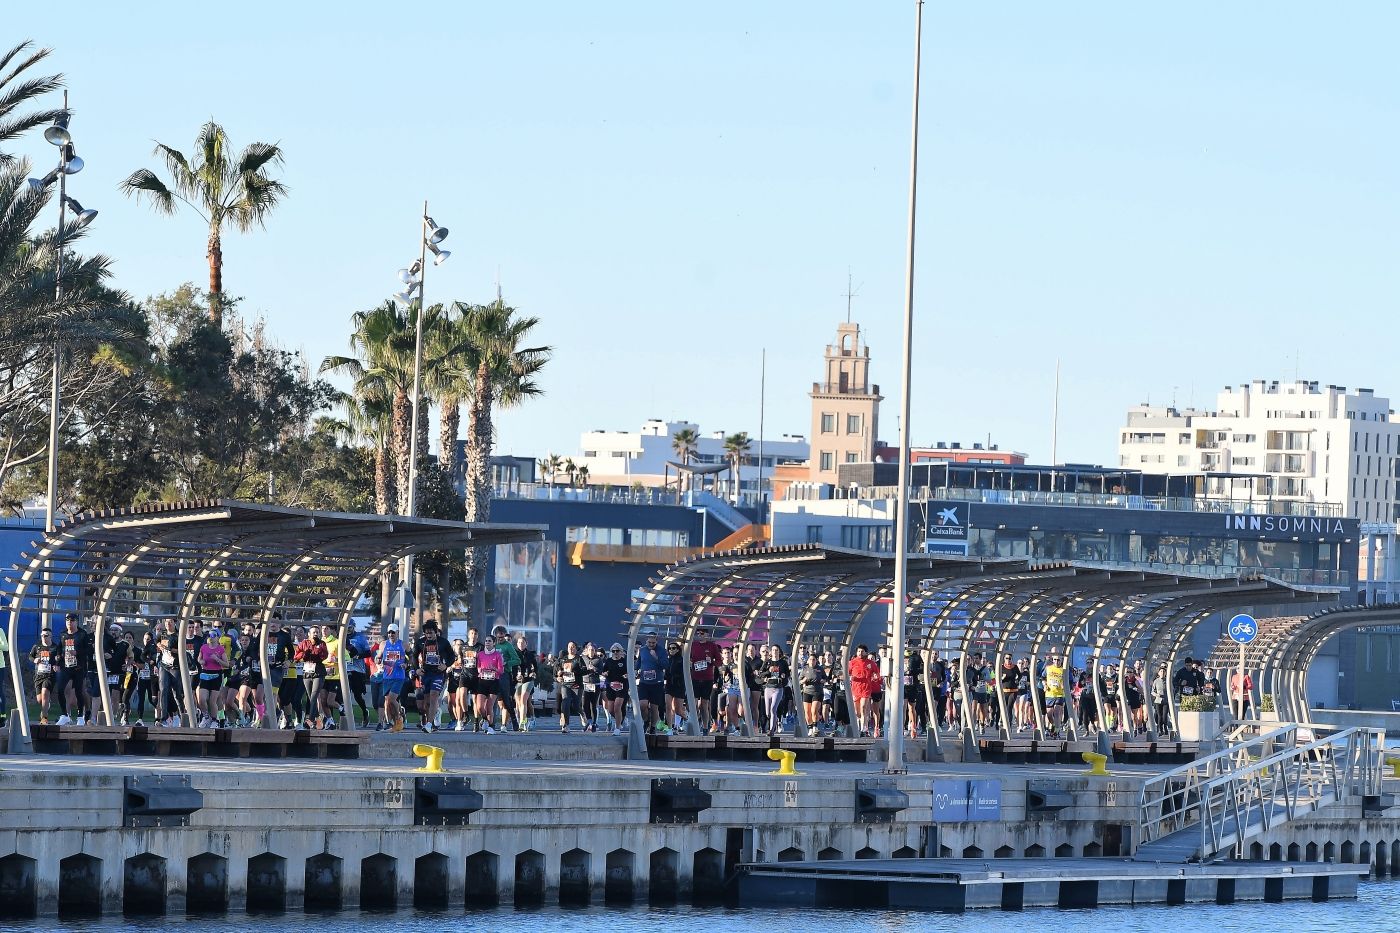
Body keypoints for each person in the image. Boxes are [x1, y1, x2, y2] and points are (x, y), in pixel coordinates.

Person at [413, 621, 453, 734]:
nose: (429, 635)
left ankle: (429, 724)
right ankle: (434, 714)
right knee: (427, 703)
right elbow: (414, 656)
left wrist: (445, 665)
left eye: (431, 633)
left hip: (438, 673)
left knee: (434, 695)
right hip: (426, 673)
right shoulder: (420, 642)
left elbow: (452, 656)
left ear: (436, 632)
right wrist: (417, 669)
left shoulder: (443, 642)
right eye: (426, 633)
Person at [55, 613, 92, 726]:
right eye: (67, 621)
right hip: (65, 667)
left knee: (79, 691)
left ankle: (80, 716)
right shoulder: (63, 634)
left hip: (78, 668)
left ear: (76, 622)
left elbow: (89, 650)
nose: (69, 624)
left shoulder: (82, 634)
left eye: (72, 621)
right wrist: (57, 659)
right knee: (60, 689)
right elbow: (59, 648)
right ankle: (64, 715)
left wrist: (77, 652)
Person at [293, 626, 329, 731]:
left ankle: (309, 721)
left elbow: (324, 655)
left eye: (317, 632)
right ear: (309, 633)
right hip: (307, 672)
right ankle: (318, 720)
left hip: (318, 672)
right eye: (313, 632)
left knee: (314, 697)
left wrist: (317, 650)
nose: (315, 634)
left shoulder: (322, 643)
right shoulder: (304, 643)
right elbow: (297, 656)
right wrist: (305, 654)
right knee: (310, 698)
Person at [688, 628, 722, 733]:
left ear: (707, 635)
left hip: (707, 678)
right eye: (698, 633)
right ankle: (693, 724)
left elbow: (719, 661)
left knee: (704, 704)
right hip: (694, 678)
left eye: (702, 633)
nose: (699, 635)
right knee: (693, 703)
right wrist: (689, 663)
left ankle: (705, 727)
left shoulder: (712, 646)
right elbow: (686, 658)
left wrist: (712, 661)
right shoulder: (693, 645)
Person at [635, 632, 668, 734]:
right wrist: (636, 670)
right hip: (644, 682)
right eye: (649, 642)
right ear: (646, 641)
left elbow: (665, 665)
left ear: (656, 641)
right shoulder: (643, 650)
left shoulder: (662, 651)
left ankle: (653, 727)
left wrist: (656, 658)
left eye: (653, 643)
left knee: (654, 707)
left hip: (657, 682)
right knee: (642, 705)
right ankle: (646, 721)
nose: (651, 645)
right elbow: (639, 662)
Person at [376, 624, 407, 732]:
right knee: (387, 700)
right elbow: (378, 657)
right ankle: (391, 721)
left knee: (392, 698)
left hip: (399, 676)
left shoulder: (403, 644)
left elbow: (412, 657)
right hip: (387, 676)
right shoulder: (383, 644)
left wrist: (406, 665)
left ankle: (399, 717)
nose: (391, 634)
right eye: (389, 632)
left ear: (397, 632)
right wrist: (378, 660)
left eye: (393, 632)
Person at [474, 634, 505, 734]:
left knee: (489, 706)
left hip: (493, 682)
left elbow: (501, 670)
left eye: (489, 641)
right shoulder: (480, 654)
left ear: (494, 643)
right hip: (482, 681)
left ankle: (491, 727)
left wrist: (494, 669)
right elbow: (478, 666)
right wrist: (480, 670)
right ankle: (485, 720)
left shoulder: (497, 655)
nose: (487, 643)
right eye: (486, 641)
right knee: (479, 706)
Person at [493, 625, 521, 732]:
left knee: (506, 699)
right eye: (498, 637)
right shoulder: (492, 644)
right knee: (492, 698)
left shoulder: (508, 646)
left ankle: (513, 719)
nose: (500, 639)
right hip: (492, 675)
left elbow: (517, 660)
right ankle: (489, 722)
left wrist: (507, 663)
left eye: (502, 637)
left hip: (504, 674)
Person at [29, 628, 59, 724]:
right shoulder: (37, 646)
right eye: (42, 635)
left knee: (45, 692)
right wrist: (35, 660)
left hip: (50, 675)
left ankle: (44, 718)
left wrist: (57, 664)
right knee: (40, 700)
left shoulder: (55, 647)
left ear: (51, 636)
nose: (43, 637)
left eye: (46, 635)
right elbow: (31, 656)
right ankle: (46, 705)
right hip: (39, 675)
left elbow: (59, 658)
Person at [554, 641, 585, 733]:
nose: (571, 649)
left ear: (576, 649)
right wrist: (557, 677)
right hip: (566, 683)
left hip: (576, 684)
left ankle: (582, 714)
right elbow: (556, 672)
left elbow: (584, 671)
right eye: (569, 647)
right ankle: (566, 725)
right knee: (565, 700)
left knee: (575, 706)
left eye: (573, 647)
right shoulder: (563, 659)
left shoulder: (579, 659)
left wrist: (573, 672)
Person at [600, 643, 630, 735]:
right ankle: (621, 719)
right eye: (614, 651)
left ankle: (617, 728)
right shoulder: (608, 661)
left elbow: (630, 672)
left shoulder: (625, 661)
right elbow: (604, 671)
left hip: (622, 686)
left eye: (617, 651)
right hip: (611, 686)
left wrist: (627, 675)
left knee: (617, 706)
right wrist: (604, 674)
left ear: (621, 652)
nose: (616, 653)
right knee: (611, 710)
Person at [762, 644, 791, 736]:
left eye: (776, 650)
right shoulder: (767, 662)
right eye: (773, 650)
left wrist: (784, 677)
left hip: (778, 688)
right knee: (767, 712)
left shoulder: (783, 662)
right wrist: (768, 672)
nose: (775, 652)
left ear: (779, 652)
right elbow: (761, 673)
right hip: (768, 688)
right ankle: (773, 722)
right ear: (771, 652)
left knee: (773, 709)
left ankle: (772, 730)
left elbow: (787, 674)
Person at [513, 633, 537, 732]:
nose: (521, 644)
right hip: (517, 680)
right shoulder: (514, 653)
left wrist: (533, 673)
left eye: (522, 642)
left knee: (523, 700)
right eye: (519, 642)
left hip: (528, 680)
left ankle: (523, 722)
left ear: (526, 644)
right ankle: (521, 720)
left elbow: (535, 667)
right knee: (518, 703)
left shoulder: (530, 655)